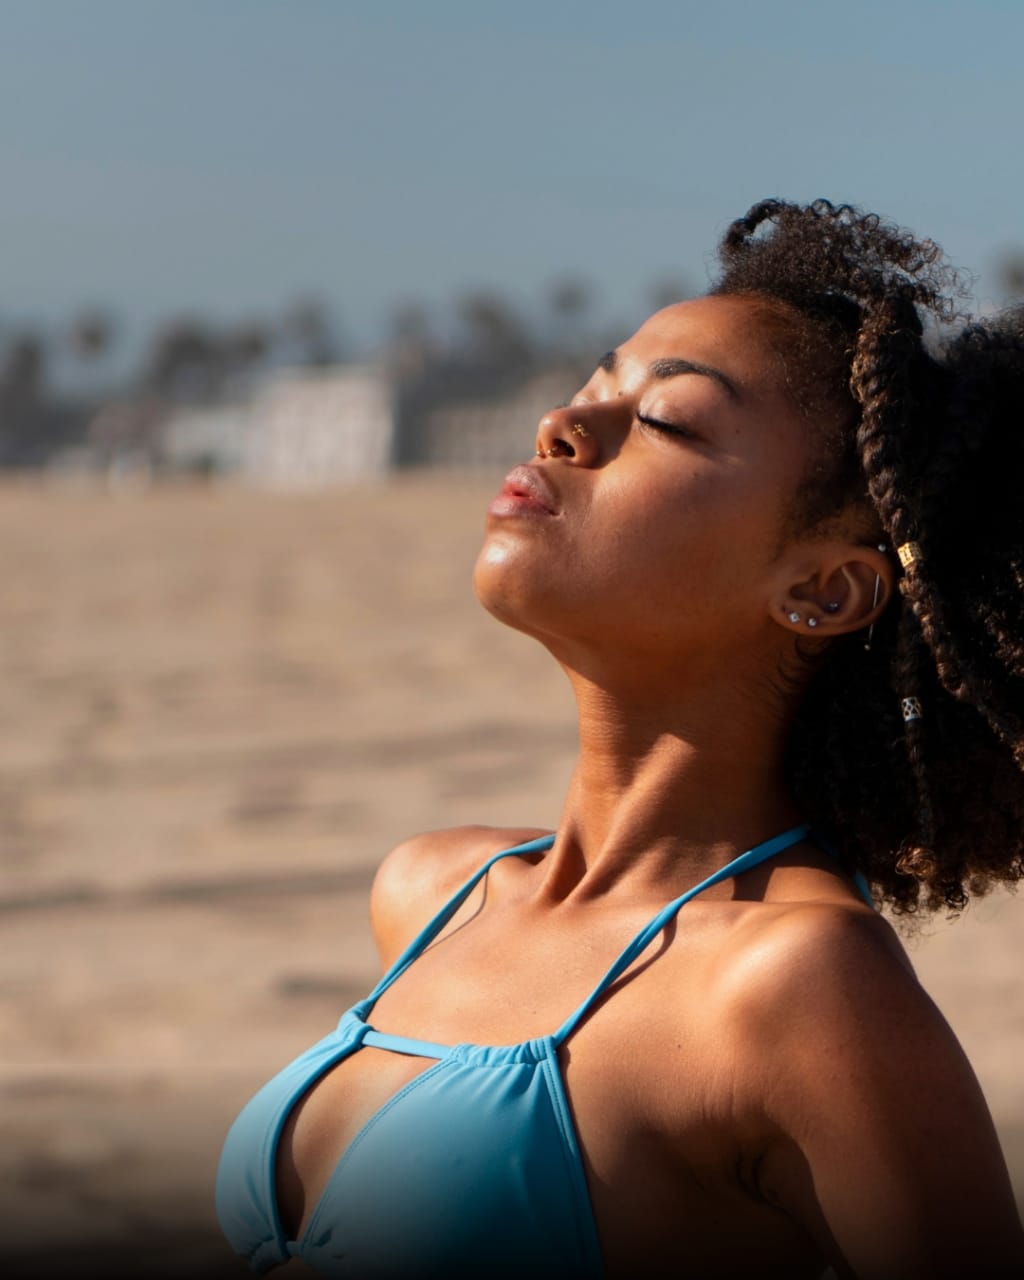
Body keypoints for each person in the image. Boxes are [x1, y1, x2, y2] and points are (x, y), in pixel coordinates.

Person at [216, 199, 1024, 1278]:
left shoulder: (795, 987)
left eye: (670, 420)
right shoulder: (434, 889)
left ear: (823, 587)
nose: (565, 422)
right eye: (597, 383)